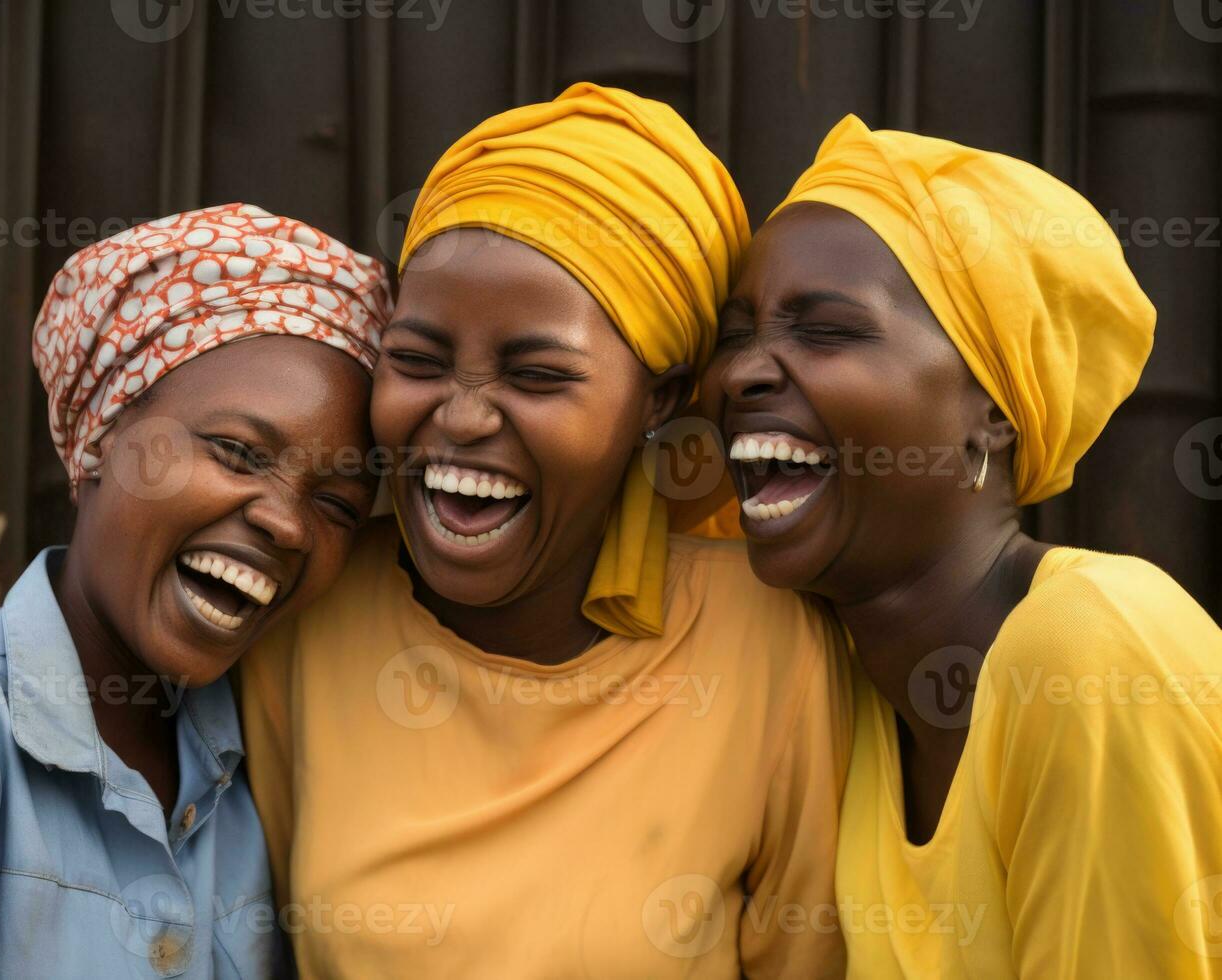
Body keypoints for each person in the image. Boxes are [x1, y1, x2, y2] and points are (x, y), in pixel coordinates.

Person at [239, 83, 850, 977]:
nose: (463, 417)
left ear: (662, 398)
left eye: (537, 376)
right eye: (415, 361)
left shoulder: (768, 644)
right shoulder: (311, 613)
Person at [0, 203, 392, 978]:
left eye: (335, 507)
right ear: (101, 436)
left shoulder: (256, 750)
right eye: (237, 452)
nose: (288, 526)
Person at [700, 115, 1222, 977]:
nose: (741, 373)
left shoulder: (1091, 653)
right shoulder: (853, 689)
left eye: (826, 329)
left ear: (994, 413)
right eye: (737, 334)